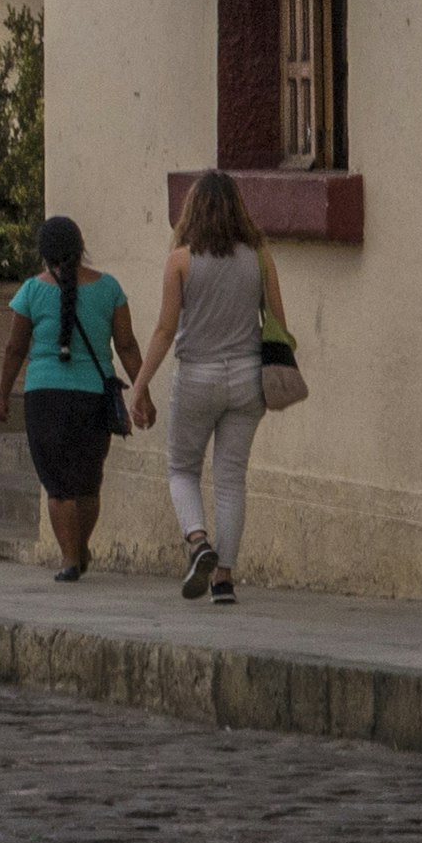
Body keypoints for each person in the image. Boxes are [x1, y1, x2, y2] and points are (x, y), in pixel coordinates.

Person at [130, 168, 281, 604]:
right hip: (249, 377)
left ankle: (198, 543)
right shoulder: (260, 257)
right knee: (232, 477)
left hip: (197, 374)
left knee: (182, 468)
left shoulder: (180, 260)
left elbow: (163, 330)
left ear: (192, 210)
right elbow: (279, 323)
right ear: (239, 209)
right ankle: (225, 581)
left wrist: (139, 386)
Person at [0, 214, 144, 581]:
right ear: (81, 247)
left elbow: (15, 348)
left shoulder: (31, 290)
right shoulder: (109, 289)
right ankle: (80, 547)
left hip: (45, 395)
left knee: (58, 483)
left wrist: (3, 394)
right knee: (89, 481)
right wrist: (143, 392)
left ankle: (69, 558)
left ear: (44, 252)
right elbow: (125, 345)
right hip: (94, 394)